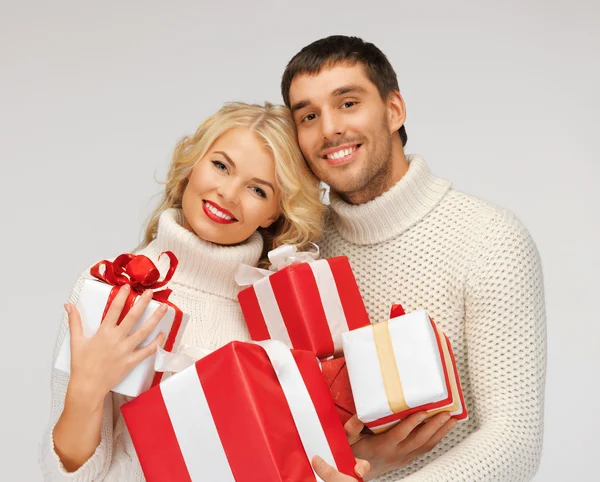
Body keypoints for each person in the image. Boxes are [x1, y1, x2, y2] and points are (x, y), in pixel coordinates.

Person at [38, 101, 364, 481]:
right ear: (194, 164)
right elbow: (68, 476)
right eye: (221, 166)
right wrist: (86, 391)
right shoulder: (114, 288)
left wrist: (325, 456)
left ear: (274, 212)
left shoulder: (279, 314)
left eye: (257, 190)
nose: (227, 193)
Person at [281, 35, 546, 481]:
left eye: (347, 103)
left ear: (394, 110)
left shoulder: (490, 239)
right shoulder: (299, 251)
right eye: (308, 115)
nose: (329, 129)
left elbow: (514, 440)